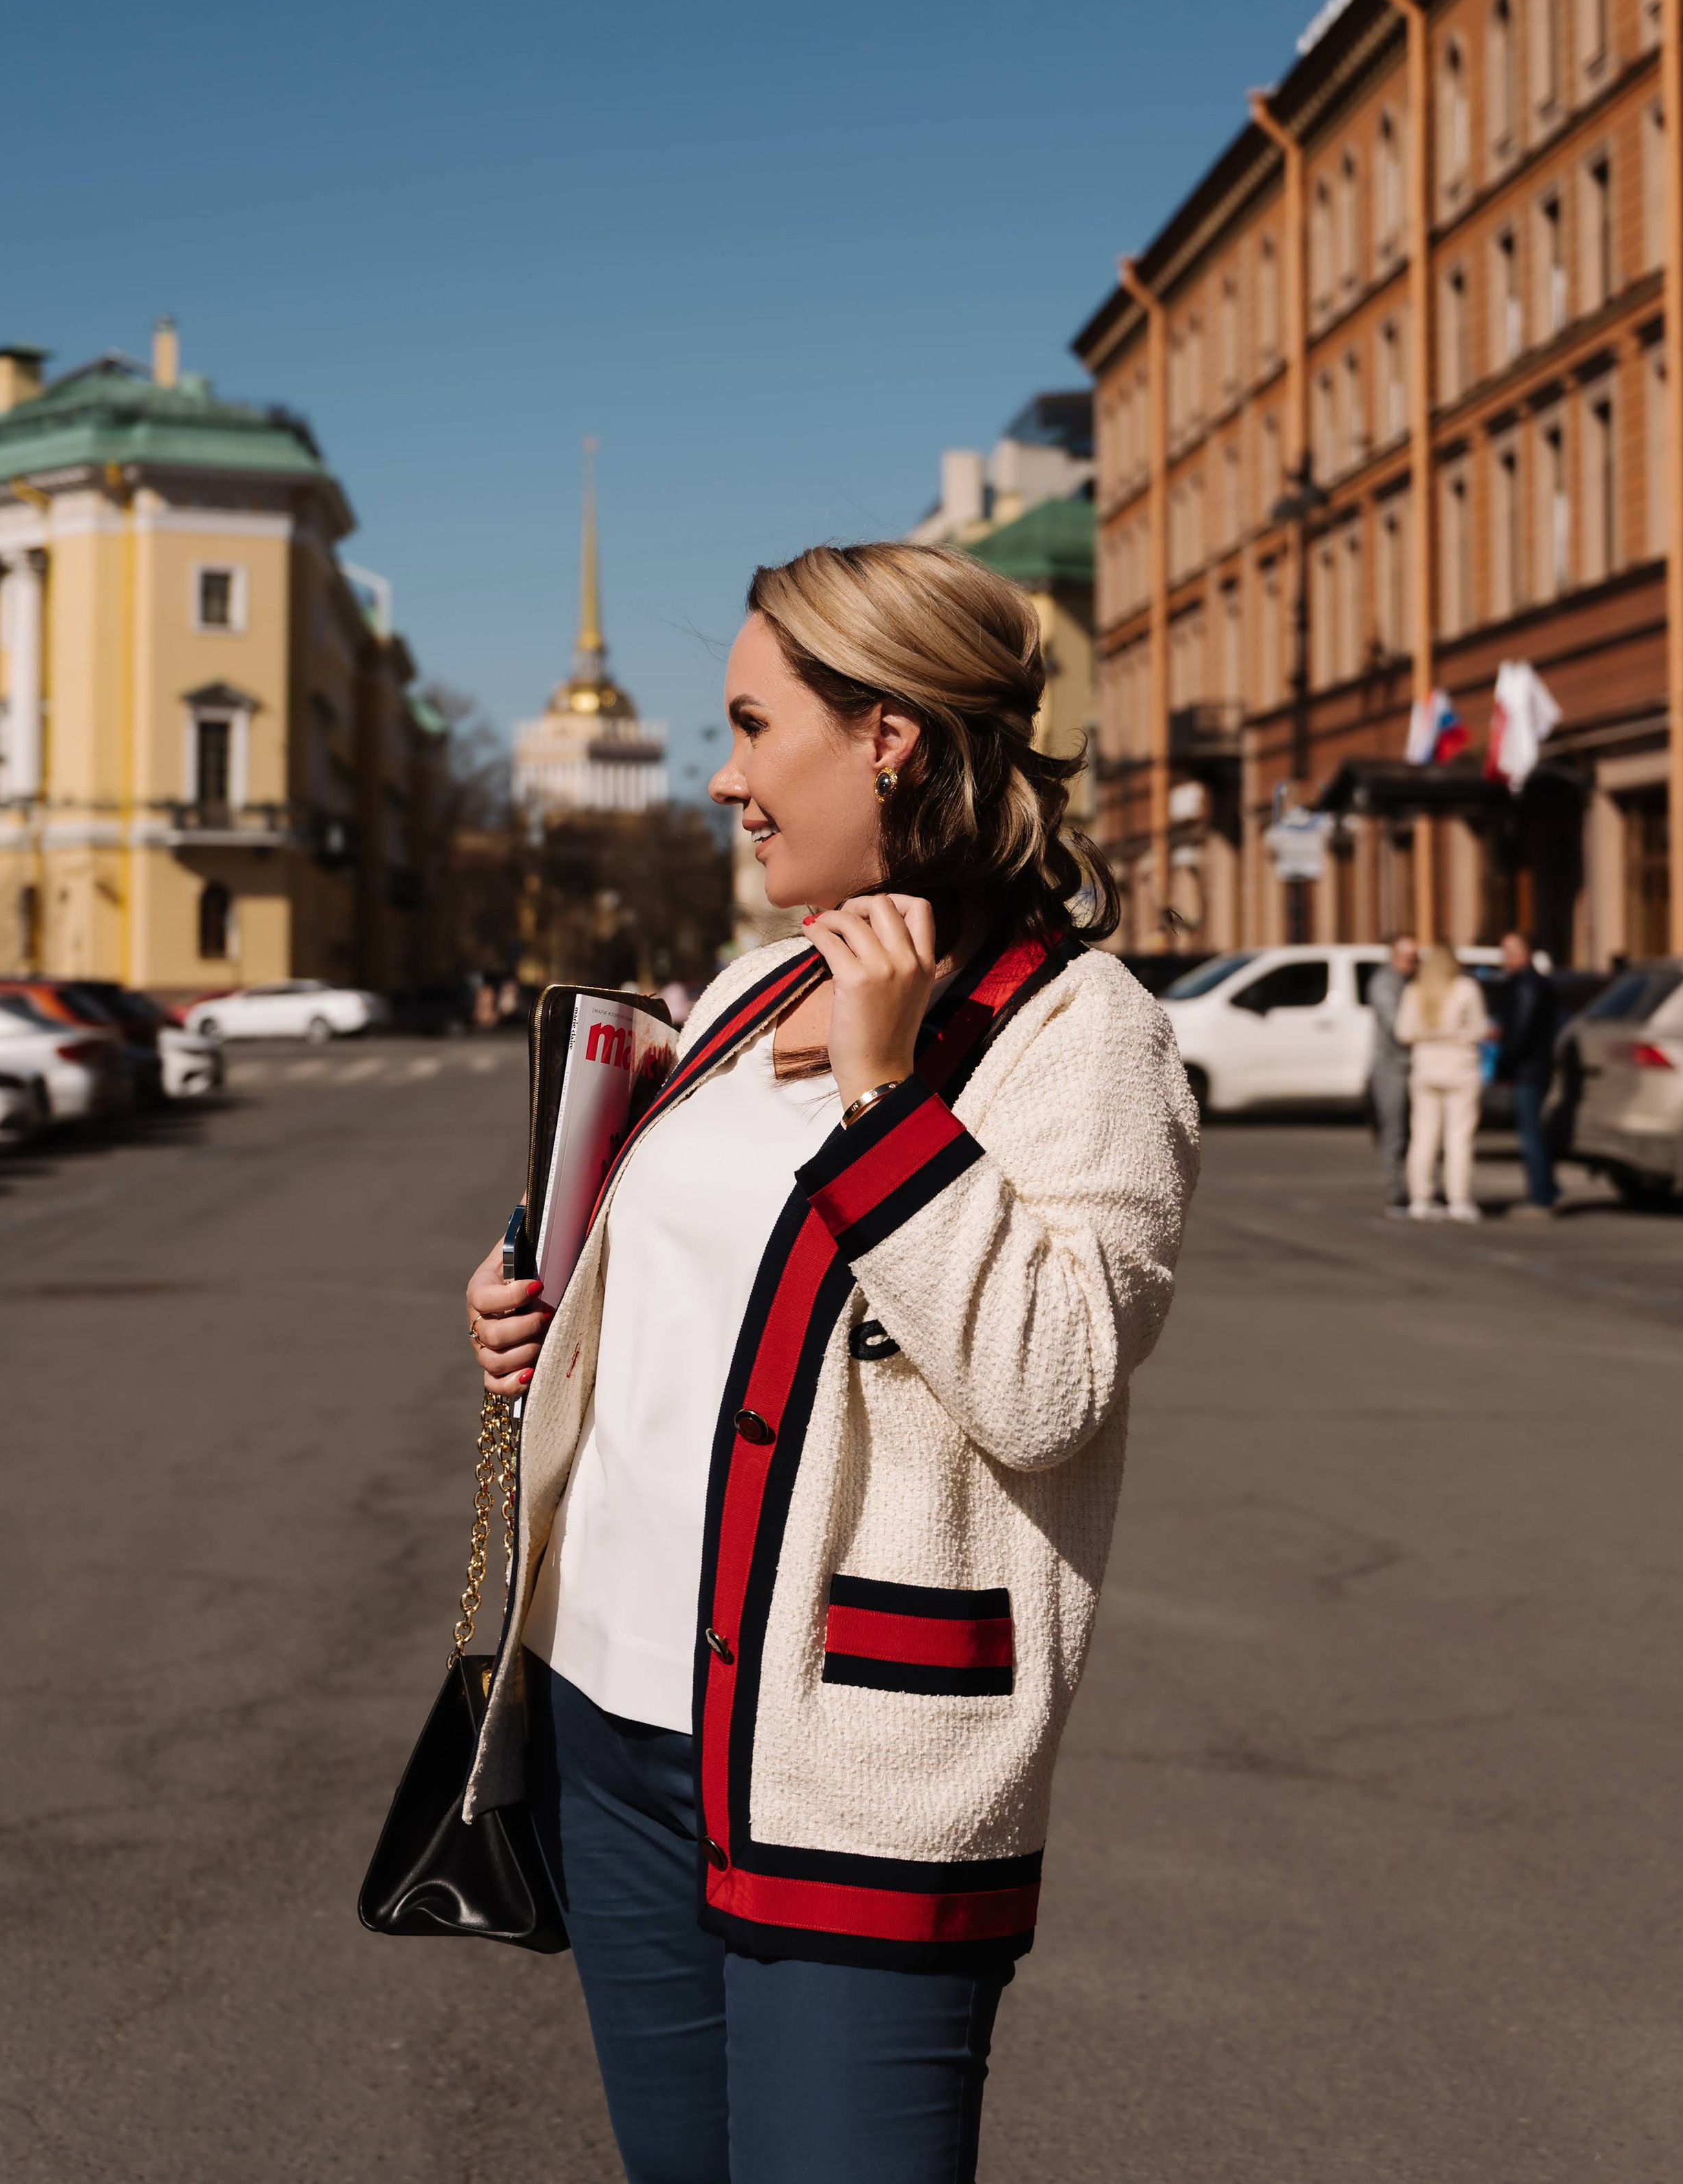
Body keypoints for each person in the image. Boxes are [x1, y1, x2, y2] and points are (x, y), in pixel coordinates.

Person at [463, 541, 1200, 2184]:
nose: (723, 776)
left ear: (885, 735)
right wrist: (534, 1305)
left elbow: (1049, 1377)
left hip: (852, 1766)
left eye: (747, 722)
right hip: (608, 1717)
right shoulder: (740, 991)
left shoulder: (1079, 1034)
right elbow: (676, 1280)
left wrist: (883, 1102)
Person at [1395, 941, 1490, 1222]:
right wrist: (1456, 1036)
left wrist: (1430, 1037)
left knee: (1423, 1135)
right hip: (1459, 1067)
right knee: (1458, 1136)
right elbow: (1480, 1028)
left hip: (1425, 1066)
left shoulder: (1416, 990)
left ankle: (1420, 1198)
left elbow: (1403, 1032)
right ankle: (1458, 1199)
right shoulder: (1466, 989)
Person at [1495, 930, 1559, 1215]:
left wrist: (1504, 1062)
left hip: (1529, 1070)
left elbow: (1520, 1031)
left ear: (1526, 953)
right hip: (1532, 1067)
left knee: (1532, 1134)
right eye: (1503, 952)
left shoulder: (1528, 986)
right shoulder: (1524, 983)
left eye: (1510, 952)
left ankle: (1541, 1196)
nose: (1504, 958)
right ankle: (1546, 1189)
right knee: (1534, 1132)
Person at [1366, 933, 1419, 1218]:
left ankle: (1421, 1189)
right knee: (1394, 1131)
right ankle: (1396, 1192)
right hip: (1392, 1068)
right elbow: (1396, 1026)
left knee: (1420, 1133)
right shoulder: (1384, 983)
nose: (1413, 964)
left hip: (1419, 1066)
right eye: (1408, 959)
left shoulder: (1416, 982)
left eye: (1415, 958)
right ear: (1394, 957)